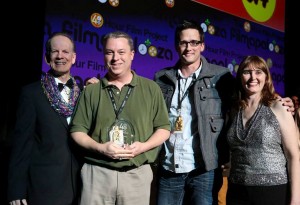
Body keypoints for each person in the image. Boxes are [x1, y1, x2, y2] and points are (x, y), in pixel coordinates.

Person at [154, 20, 295, 205]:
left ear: (202, 45)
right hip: (169, 168)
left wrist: (281, 100)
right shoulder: (161, 79)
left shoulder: (221, 77)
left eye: (194, 42)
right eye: (183, 42)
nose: (189, 47)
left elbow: (251, 90)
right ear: (176, 45)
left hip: (205, 170)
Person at [69, 31, 171, 205]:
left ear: (132, 55)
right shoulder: (91, 91)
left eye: (121, 52)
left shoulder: (151, 88)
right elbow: (77, 131)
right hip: (97, 174)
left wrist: (143, 147)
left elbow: (164, 128)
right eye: (110, 52)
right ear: (104, 56)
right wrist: (101, 148)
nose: (115, 58)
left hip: (137, 174)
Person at [7, 32, 82, 205]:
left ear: (74, 57)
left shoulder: (84, 95)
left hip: (78, 187)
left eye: (65, 51)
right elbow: (21, 145)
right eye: (55, 51)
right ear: (47, 57)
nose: (60, 56)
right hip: (44, 187)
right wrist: (16, 190)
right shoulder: (31, 94)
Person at [226, 55, 300, 205]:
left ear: (266, 77)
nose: (253, 77)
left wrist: (296, 200)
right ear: (240, 77)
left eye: (258, 72)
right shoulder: (234, 110)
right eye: (247, 72)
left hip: (271, 191)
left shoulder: (279, 106)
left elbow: (294, 155)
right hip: (236, 190)